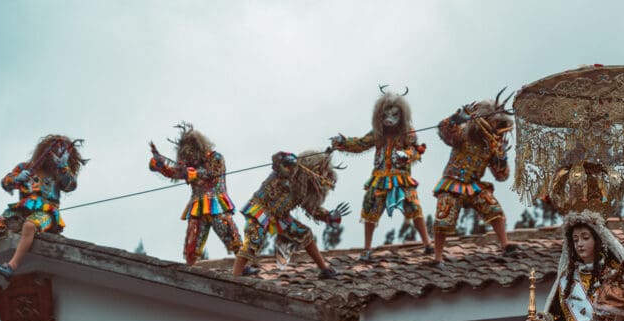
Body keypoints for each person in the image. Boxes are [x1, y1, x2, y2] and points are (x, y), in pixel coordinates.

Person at [330, 88, 434, 261]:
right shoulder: (377, 134)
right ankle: (367, 248)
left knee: (415, 208)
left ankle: (427, 244)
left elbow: (416, 151)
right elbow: (361, 144)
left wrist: (407, 156)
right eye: (386, 114)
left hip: (401, 177)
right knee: (370, 210)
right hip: (379, 178)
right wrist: (343, 143)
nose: (389, 119)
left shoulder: (408, 132)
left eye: (394, 114)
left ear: (402, 116)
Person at [0, 135, 86, 284]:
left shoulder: (60, 173)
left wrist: (63, 167)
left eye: (60, 152)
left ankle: (12, 266)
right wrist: (16, 179)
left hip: (46, 212)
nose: (54, 155)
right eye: (52, 151)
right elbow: (5, 182)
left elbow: (70, 186)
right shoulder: (25, 168)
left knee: (30, 226)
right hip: (21, 210)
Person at [231, 150, 347, 278]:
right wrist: (285, 159)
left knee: (304, 233)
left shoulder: (304, 189)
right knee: (254, 239)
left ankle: (324, 270)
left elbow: (312, 208)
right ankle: (236, 276)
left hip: (280, 216)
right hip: (260, 209)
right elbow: (277, 161)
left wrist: (328, 216)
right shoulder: (289, 171)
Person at [432, 94, 516, 265]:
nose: (496, 127)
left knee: (494, 209)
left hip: (474, 185)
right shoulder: (465, 132)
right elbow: (445, 131)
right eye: (495, 122)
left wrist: (502, 156)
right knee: (443, 218)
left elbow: (501, 176)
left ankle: (505, 244)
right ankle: (437, 257)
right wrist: (456, 118)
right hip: (452, 183)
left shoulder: (492, 146)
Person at [149, 122, 242, 265]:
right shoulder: (191, 165)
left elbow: (211, 174)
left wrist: (190, 172)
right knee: (192, 241)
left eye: (192, 155)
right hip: (197, 206)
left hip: (216, 202)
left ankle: (243, 263)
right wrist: (160, 165)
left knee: (229, 232)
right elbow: (175, 173)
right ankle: (190, 267)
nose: (190, 159)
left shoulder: (216, 158)